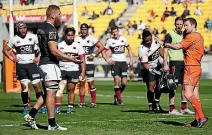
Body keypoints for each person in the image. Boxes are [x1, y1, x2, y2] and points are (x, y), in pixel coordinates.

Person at [23, 5, 81, 130]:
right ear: (53, 15)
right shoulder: (52, 29)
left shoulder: (40, 28)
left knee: (46, 94)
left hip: (43, 64)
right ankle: (52, 124)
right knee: (51, 94)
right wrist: (72, 59)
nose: (61, 16)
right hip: (50, 64)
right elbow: (54, 51)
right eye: (60, 14)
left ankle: (31, 115)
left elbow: (43, 47)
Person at [156, 17, 208, 127]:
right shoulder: (199, 36)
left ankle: (202, 117)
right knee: (194, 94)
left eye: (186, 25)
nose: (184, 27)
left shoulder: (192, 36)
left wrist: (166, 44)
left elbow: (178, 46)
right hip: (197, 67)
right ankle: (197, 119)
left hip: (190, 67)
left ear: (193, 25)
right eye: (184, 25)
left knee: (187, 93)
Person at [2, 21, 46, 114]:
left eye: (24, 28)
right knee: (24, 87)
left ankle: (42, 106)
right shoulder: (14, 39)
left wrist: (38, 57)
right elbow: (5, 50)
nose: (23, 30)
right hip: (21, 66)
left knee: (37, 86)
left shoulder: (33, 37)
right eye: (21, 28)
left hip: (32, 65)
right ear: (17, 29)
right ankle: (26, 106)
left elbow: (42, 47)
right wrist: (11, 58)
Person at [163, 17, 194, 115]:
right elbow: (165, 50)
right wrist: (165, 64)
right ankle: (172, 108)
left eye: (182, 24)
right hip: (174, 62)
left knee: (185, 85)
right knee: (173, 86)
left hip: (184, 62)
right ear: (175, 24)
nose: (180, 26)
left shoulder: (185, 34)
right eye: (178, 24)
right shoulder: (169, 35)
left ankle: (184, 108)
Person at [55, 27, 86, 114]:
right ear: (65, 36)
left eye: (72, 35)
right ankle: (57, 107)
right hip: (61, 69)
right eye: (68, 35)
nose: (70, 37)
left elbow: (82, 60)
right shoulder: (59, 45)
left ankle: (70, 108)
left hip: (74, 70)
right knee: (60, 88)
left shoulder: (78, 46)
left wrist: (83, 72)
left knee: (71, 89)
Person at [74, 23, 105, 108]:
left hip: (89, 64)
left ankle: (93, 102)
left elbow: (101, 47)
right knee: (81, 82)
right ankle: (82, 102)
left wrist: (94, 55)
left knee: (91, 82)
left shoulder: (92, 39)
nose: (83, 31)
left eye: (85, 29)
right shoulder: (76, 39)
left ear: (87, 30)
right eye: (82, 29)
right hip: (80, 64)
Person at [102, 26, 133, 105]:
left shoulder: (124, 39)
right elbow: (103, 51)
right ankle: (119, 100)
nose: (114, 33)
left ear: (118, 31)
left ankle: (116, 95)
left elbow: (129, 49)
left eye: (115, 31)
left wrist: (131, 60)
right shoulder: (110, 41)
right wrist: (107, 59)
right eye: (113, 32)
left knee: (124, 83)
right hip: (115, 63)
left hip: (123, 63)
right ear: (111, 33)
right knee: (116, 80)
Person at [138, 29, 164, 113]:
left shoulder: (155, 41)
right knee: (151, 87)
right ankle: (150, 106)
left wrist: (166, 63)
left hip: (158, 66)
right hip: (148, 68)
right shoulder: (141, 49)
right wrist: (152, 70)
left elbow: (161, 51)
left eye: (150, 39)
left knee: (159, 86)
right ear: (143, 39)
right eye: (146, 41)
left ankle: (156, 104)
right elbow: (145, 64)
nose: (149, 42)